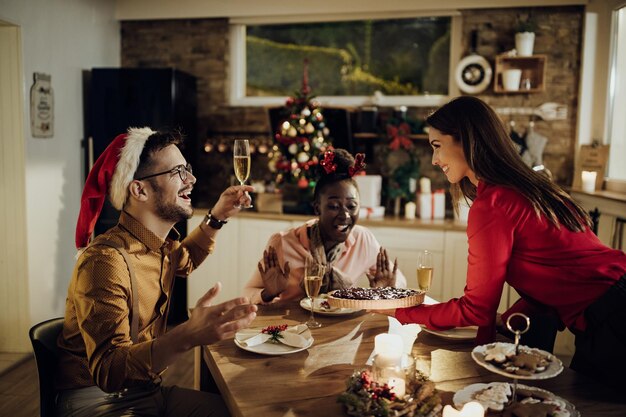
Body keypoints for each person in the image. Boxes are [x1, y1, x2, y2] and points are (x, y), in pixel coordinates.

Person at [391, 97, 626, 386]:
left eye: (437, 146)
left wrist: (401, 312)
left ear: (465, 140)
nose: (434, 160)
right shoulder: (526, 188)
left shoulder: (493, 203)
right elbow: (553, 273)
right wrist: (507, 319)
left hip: (614, 319)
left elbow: (475, 309)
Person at [56, 127, 258, 417]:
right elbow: (109, 372)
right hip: (96, 402)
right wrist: (188, 335)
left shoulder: (160, 246)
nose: (192, 178)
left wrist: (218, 216)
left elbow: (185, 260)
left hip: (146, 392)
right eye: (178, 171)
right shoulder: (105, 261)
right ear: (139, 189)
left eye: (187, 169)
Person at [243, 148, 406, 304]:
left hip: (343, 329)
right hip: (292, 330)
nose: (345, 215)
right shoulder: (283, 242)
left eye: (351, 206)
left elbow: (398, 279)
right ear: (317, 208)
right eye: (334, 206)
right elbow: (248, 292)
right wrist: (268, 293)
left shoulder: (363, 239)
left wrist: (389, 287)